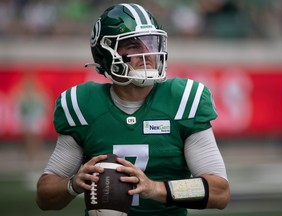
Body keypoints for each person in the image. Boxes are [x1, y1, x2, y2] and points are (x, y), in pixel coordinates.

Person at [36, 3, 230, 216]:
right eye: (133, 46)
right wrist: (72, 184)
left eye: (151, 43)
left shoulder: (183, 99)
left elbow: (219, 192)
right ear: (106, 53)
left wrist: (156, 188)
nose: (147, 53)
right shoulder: (82, 105)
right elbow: (44, 197)